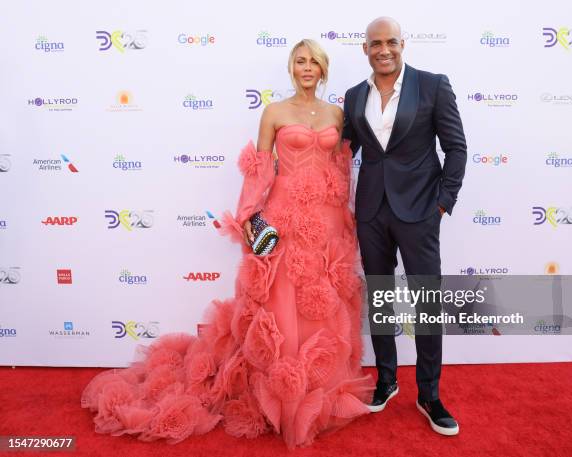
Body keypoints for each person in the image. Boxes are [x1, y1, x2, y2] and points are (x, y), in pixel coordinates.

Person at [81, 39, 374, 449]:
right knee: (283, 304)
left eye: (313, 62)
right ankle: (281, 392)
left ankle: (316, 390)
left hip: (324, 224)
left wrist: (344, 220)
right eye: (300, 61)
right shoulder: (273, 112)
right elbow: (259, 171)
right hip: (283, 218)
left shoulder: (336, 114)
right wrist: (250, 219)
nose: (306, 67)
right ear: (292, 68)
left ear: (324, 70)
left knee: (321, 304)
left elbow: (340, 169)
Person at [343, 17, 467, 436]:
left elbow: (456, 147)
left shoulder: (432, 85)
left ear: (403, 44)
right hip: (371, 211)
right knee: (379, 297)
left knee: (427, 302)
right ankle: (386, 378)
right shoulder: (354, 95)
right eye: (375, 43)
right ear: (365, 49)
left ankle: (429, 393)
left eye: (391, 42)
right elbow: (341, 148)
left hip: (420, 211)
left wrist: (443, 203)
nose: (384, 50)